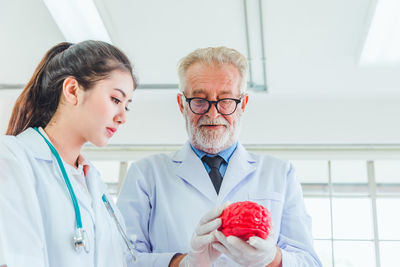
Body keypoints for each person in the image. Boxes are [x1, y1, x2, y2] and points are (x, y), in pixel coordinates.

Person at [117, 47, 322, 266]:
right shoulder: (146, 174)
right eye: (199, 100)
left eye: (225, 101)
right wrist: (184, 264)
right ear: (181, 104)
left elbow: (309, 261)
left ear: (242, 104)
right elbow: (121, 258)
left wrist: (272, 259)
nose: (213, 114)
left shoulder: (280, 173)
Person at [0, 40, 137, 267]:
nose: (122, 117)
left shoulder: (95, 184)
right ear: (72, 90)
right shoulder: (13, 158)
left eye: (126, 105)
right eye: (115, 99)